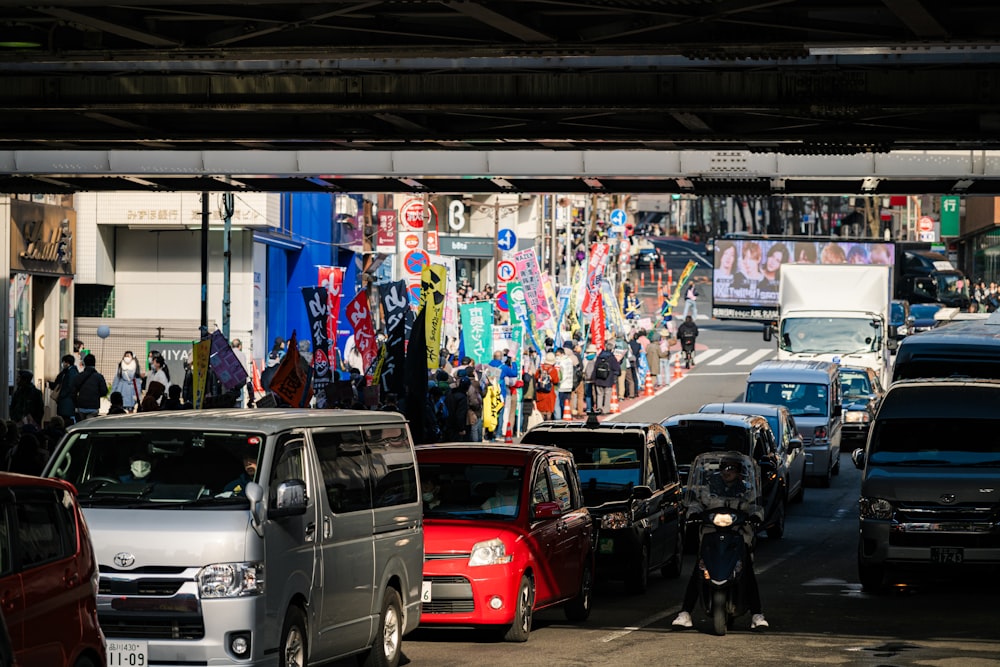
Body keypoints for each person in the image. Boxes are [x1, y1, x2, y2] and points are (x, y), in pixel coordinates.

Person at [672, 458, 768, 631]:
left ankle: (757, 614)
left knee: (747, 572)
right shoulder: (709, 487)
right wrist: (692, 513)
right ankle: (685, 613)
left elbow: (756, 506)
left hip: (738, 535)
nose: (726, 472)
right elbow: (695, 503)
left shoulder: (746, 489)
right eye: (724, 468)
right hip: (711, 534)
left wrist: (755, 516)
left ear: (739, 472)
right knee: (699, 570)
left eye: (731, 468)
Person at [72, 354, 108, 421]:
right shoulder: (99, 377)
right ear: (94, 363)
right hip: (93, 406)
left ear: (84, 363)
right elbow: (104, 392)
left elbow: (73, 392)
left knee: (81, 426)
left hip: (81, 406)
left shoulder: (79, 376)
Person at [591, 341, 621, 414]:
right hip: (608, 379)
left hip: (598, 379)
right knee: (607, 394)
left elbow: (595, 368)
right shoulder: (612, 358)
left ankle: (599, 408)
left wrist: (594, 378)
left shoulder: (599, 357)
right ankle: (606, 409)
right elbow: (616, 368)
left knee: (599, 394)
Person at [49, 354, 79, 424]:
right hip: (66, 401)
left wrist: (61, 395)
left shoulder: (71, 372)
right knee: (64, 418)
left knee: (66, 419)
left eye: (64, 362)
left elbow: (69, 387)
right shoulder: (68, 372)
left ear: (67, 363)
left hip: (66, 401)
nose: (63, 364)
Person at [534, 352, 560, 421]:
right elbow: (556, 381)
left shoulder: (540, 369)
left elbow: (535, 377)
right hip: (549, 393)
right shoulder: (553, 370)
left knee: (540, 412)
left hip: (539, 392)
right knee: (548, 412)